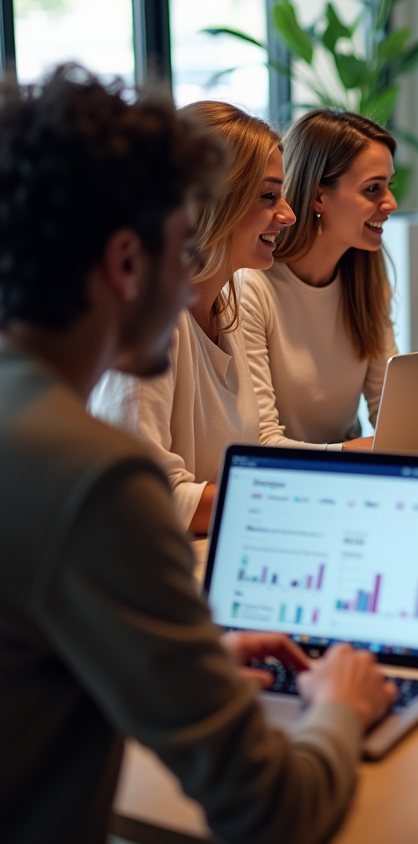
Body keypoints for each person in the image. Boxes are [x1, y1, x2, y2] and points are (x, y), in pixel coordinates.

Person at [0, 68, 395, 844]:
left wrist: (179, 652)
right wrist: (340, 710)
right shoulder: (98, 480)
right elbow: (271, 810)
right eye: (183, 246)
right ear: (125, 261)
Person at [90, 101, 295, 534]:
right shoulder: (147, 320)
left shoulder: (226, 302)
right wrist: (295, 497)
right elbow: (142, 497)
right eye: (268, 196)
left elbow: (250, 456)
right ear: (211, 201)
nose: (288, 215)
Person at [241, 108, 398, 446]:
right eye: (373, 189)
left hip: (351, 473)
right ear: (318, 196)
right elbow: (263, 443)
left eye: (389, 186)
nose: (391, 203)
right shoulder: (252, 287)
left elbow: (390, 409)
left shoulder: (367, 281)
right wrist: (363, 451)